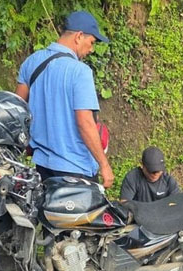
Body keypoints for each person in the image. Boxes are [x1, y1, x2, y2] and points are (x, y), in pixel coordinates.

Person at [15, 10, 114, 188]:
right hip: (76, 170)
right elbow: (85, 123)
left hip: (42, 169)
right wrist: (104, 165)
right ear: (79, 36)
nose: (91, 49)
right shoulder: (80, 72)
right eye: (91, 42)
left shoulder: (32, 62)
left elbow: (17, 110)